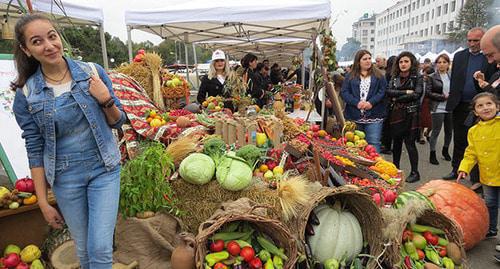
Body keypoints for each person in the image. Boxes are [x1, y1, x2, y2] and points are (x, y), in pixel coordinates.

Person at [11, 14, 126, 269]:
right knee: (83, 251)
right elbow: (34, 147)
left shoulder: (92, 73)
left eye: (52, 36)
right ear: (26, 50)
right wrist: (43, 201)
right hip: (65, 178)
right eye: (37, 41)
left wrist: (105, 99)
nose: (49, 45)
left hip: (103, 169)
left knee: (99, 249)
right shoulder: (27, 95)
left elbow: (118, 121)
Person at [443, 27, 498, 180]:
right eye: (469, 40)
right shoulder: (460, 56)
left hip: (483, 107)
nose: (472, 44)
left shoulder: (489, 57)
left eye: (476, 40)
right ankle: (456, 169)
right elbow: (455, 79)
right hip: (460, 104)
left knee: (480, 142)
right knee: (459, 139)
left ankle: (478, 177)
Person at [456, 92, 500, 258]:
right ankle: (490, 228)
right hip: (487, 176)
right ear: (475, 112)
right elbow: (471, 153)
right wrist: (464, 168)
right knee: (489, 204)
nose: (485, 108)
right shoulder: (473, 131)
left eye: (489, 104)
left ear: (497, 106)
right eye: (480, 106)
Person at [386, 51, 423, 183]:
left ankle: (415, 172)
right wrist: (405, 92)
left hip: (411, 114)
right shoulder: (394, 76)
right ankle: (395, 170)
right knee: (396, 143)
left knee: (410, 143)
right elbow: (389, 92)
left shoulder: (417, 77)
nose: (403, 64)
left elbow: (417, 94)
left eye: (406, 61)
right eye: (401, 62)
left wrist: (398, 97)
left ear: (411, 62)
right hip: (396, 113)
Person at [341, 50, 387, 152]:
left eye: (369, 58)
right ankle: (355, 167)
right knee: (354, 144)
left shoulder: (379, 75)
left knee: (373, 143)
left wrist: (371, 102)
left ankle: (374, 167)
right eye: (365, 59)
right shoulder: (350, 76)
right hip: (354, 116)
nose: (368, 61)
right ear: (358, 62)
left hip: (374, 116)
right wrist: (356, 103)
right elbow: (344, 92)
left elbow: (382, 91)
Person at [427, 54, 453, 165]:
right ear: (436, 64)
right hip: (437, 107)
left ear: (448, 64)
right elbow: (428, 92)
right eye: (439, 62)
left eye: (444, 62)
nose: (441, 64)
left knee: (449, 131)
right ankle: (432, 153)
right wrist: (443, 97)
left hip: (450, 107)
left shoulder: (451, 76)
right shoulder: (432, 77)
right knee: (436, 131)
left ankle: (445, 150)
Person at [380, 55, 397, 154]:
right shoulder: (393, 75)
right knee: (391, 126)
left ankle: (386, 146)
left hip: (387, 103)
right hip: (392, 103)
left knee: (387, 126)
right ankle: (390, 146)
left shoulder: (387, 75)